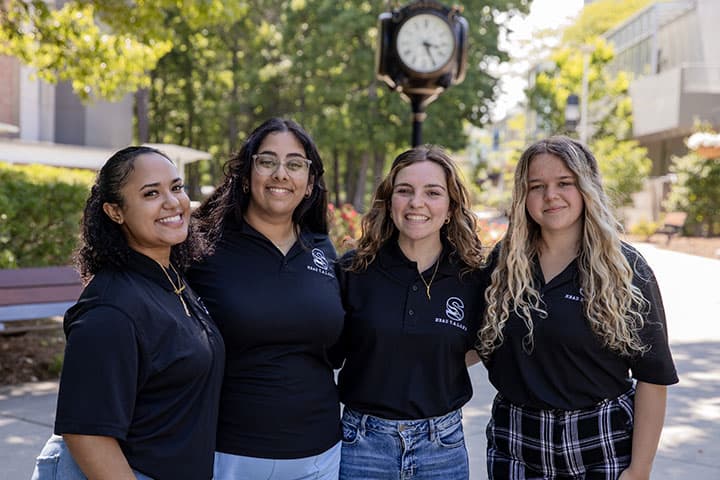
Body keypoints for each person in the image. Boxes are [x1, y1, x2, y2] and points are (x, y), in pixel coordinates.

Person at [477, 136, 678, 480]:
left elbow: (652, 377)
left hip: (601, 440)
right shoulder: (503, 263)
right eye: (536, 186)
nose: (550, 195)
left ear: (587, 187)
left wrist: (639, 469)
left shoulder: (626, 269)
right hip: (518, 440)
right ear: (523, 196)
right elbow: (476, 341)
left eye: (564, 183)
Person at [31, 146, 225, 480]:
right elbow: (87, 435)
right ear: (115, 211)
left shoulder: (170, 281)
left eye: (176, 187)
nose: (172, 202)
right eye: (151, 193)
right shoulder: (111, 308)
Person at [188, 118, 344, 480]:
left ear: (309, 185)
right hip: (231, 453)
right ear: (246, 176)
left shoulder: (321, 248)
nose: (280, 174)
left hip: (320, 454)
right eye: (267, 161)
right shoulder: (202, 247)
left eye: (294, 164)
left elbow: (337, 347)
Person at [333, 145, 486, 480]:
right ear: (390, 203)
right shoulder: (354, 270)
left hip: (442, 447)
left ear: (450, 207)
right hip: (362, 444)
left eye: (432, 192)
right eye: (405, 191)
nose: (417, 202)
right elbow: (330, 350)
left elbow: (479, 345)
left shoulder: (472, 277)